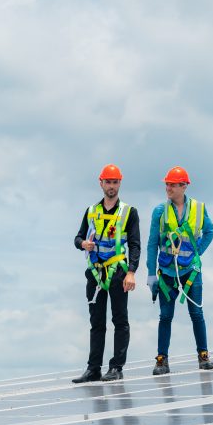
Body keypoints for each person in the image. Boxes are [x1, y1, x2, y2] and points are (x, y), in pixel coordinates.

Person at [71, 164, 139, 383]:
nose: (112, 186)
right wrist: (84, 244)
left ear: (120, 183)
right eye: (108, 182)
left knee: (120, 319)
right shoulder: (92, 211)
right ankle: (93, 369)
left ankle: (116, 367)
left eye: (115, 182)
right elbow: (77, 238)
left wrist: (131, 272)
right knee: (97, 322)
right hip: (95, 273)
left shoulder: (128, 212)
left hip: (118, 272)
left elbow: (135, 244)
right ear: (101, 183)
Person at [146, 166, 213, 375]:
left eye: (172, 184)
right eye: (167, 184)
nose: (168, 188)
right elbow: (152, 243)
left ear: (183, 186)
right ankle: (161, 360)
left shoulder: (199, 209)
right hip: (167, 272)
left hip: (191, 272)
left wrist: (197, 253)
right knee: (165, 316)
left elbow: (209, 231)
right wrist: (151, 273)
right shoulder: (160, 211)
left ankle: (203, 356)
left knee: (197, 314)